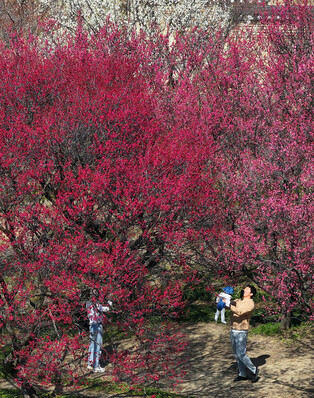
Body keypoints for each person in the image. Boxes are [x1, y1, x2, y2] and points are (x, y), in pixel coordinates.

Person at [226, 285, 259, 383]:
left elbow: (240, 312)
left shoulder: (250, 304)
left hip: (241, 331)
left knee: (241, 353)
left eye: (247, 289)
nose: (244, 290)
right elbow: (228, 306)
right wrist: (223, 300)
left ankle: (254, 369)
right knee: (236, 354)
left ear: (251, 293)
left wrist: (230, 305)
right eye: (244, 288)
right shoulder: (237, 301)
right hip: (233, 329)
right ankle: (242, 374)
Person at [86, 289, 113, 373]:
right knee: (98, 345)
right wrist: (109, 303)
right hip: (96, 325)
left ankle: (90, 363)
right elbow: (104, 309)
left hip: (92, 326)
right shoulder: (95, 305)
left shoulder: (88, 303)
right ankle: (96, 366)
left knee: (92, 344)